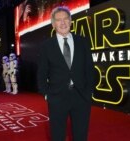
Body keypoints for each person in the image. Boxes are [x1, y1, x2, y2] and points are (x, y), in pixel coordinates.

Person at [37, 6, 95, 141]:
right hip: (57, 97)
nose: (62, 23)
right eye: (58, 20)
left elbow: (90, 69)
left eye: (66, 19)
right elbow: (42, 72)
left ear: (70, 21)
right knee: (57, 135)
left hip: (81, 96)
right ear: (53, 24)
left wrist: (89, 91)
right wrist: (46, 94)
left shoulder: (83, 41)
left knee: (81, 134)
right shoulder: (46, 46)